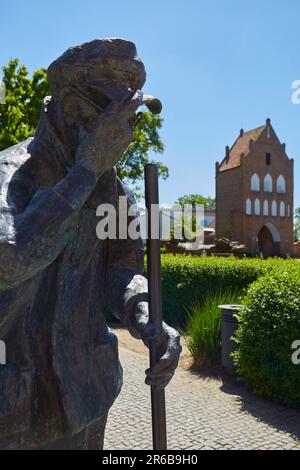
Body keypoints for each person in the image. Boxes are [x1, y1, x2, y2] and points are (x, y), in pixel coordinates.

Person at [0, 38, 181, 449]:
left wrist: (145, 314)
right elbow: (9, 261)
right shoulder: (11, 174)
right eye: (110, 112)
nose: (123, 131)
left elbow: (120, 269)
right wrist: (85, 171)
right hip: (17, 409)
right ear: (68, 103)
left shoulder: (111, 187)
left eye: (130, 115)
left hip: (87, 393)